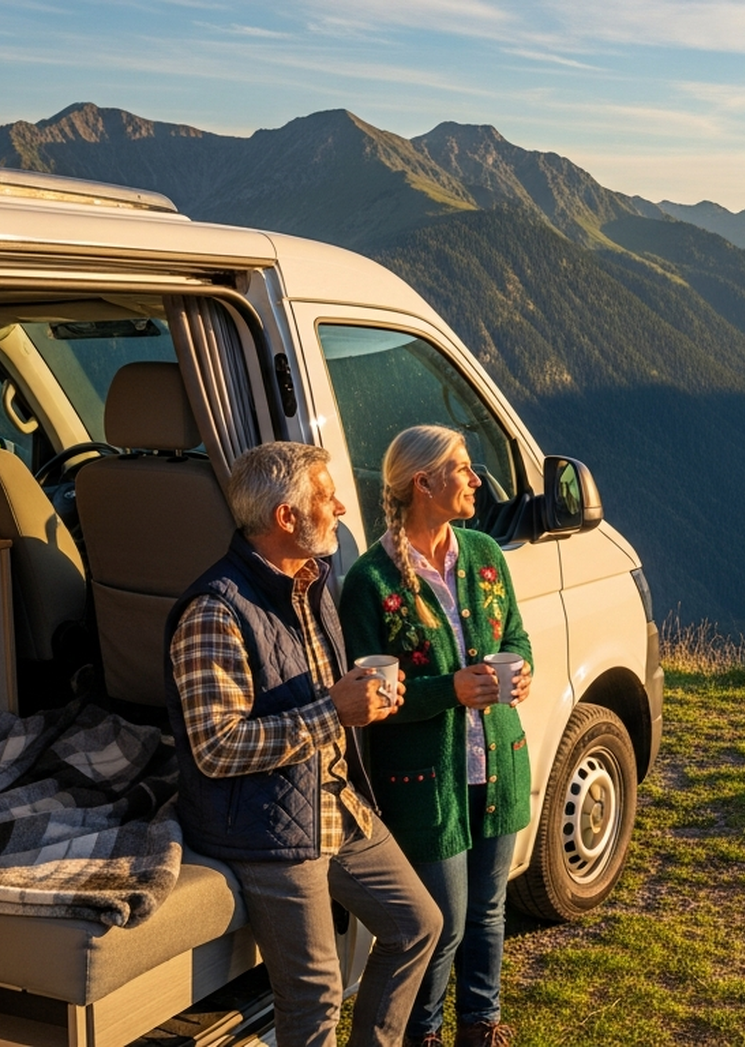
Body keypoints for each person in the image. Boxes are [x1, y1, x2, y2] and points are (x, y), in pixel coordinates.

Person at [166, 441, 444, 1047]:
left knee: (418, 925)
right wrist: (333, 712)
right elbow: (216, 748)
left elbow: (324, 700)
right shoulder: (215, 611)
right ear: (285, 517)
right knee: (315, 994)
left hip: (333, 801)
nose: (341, 507)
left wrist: (363, 704)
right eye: (327, 497)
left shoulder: (310, 584)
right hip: (264, 824)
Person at [338, 425, 534, 1047]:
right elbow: (368, 701)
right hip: (424, 781)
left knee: (489, 910)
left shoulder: (484, 553)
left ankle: (481, 1026)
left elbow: (516, 636)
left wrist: (522, 670)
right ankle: (421, 1033)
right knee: (441, 923)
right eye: (463, 468)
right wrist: (449, 690)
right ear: (423, 483)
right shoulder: (371, 582)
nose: (476, 479)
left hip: (497, 762)